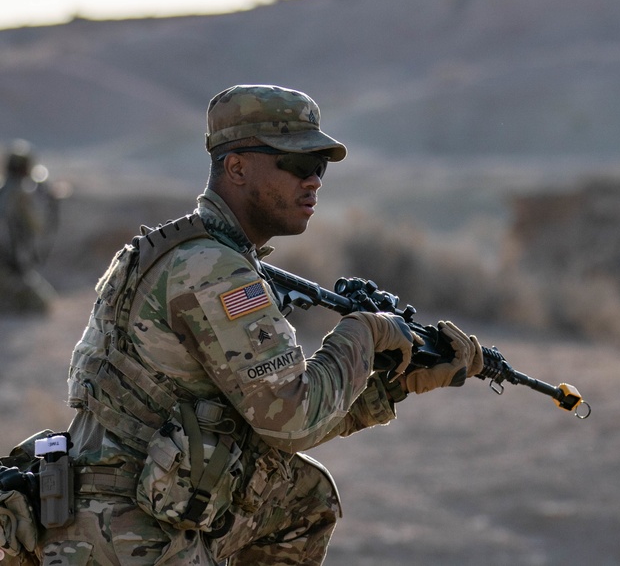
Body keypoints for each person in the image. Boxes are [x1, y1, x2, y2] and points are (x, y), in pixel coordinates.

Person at [32, 84, 484, 565]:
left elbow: (261, 421)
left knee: (303, 496)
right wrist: (363, 334)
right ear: (237, 167)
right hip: (127, 532)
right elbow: (291, 420)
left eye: (320, 167)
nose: (313, 182)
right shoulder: (212, 270)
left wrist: (391, 387)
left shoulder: (177, 250)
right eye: (296, 164)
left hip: (89, 509)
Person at [0, 139, 59, 314]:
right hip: (8, 267)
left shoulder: (5, 190)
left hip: (10, 265)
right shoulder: (20, 194)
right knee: (43, 303)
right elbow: (38, 227)